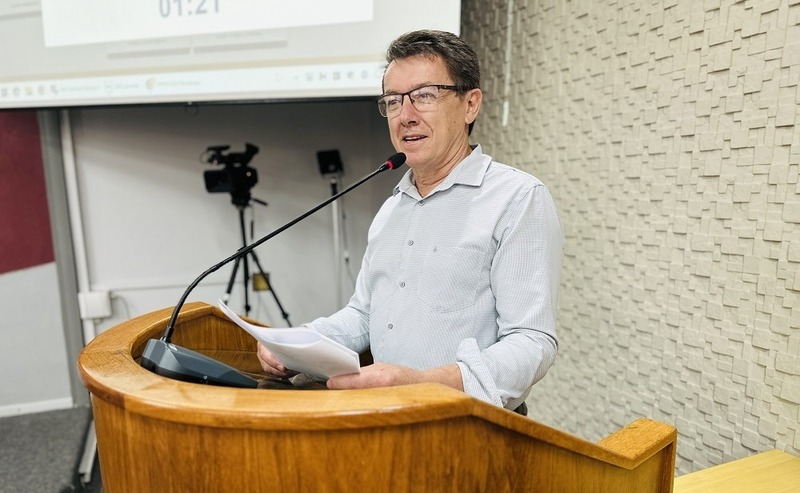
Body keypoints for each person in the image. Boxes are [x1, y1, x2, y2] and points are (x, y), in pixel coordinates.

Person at [257, 29, 563, 414]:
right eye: (393, 101)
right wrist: (300, 341)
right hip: (386, 419)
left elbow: (532, 342)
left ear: (471, 104)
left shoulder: (516, 198)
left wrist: (423, 385)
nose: (406, 116)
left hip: (471, 428)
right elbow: (364, 315)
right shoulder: (393, 208)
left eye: (424, 96)